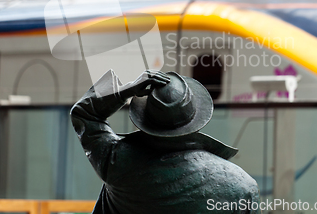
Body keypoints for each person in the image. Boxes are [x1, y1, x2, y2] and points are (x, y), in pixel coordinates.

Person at [70, 69, 261, 214]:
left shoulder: (116, 162)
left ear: (145, 120)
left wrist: (124, 91)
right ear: (195, 119)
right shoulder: (242, 186)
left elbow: (84, 113)